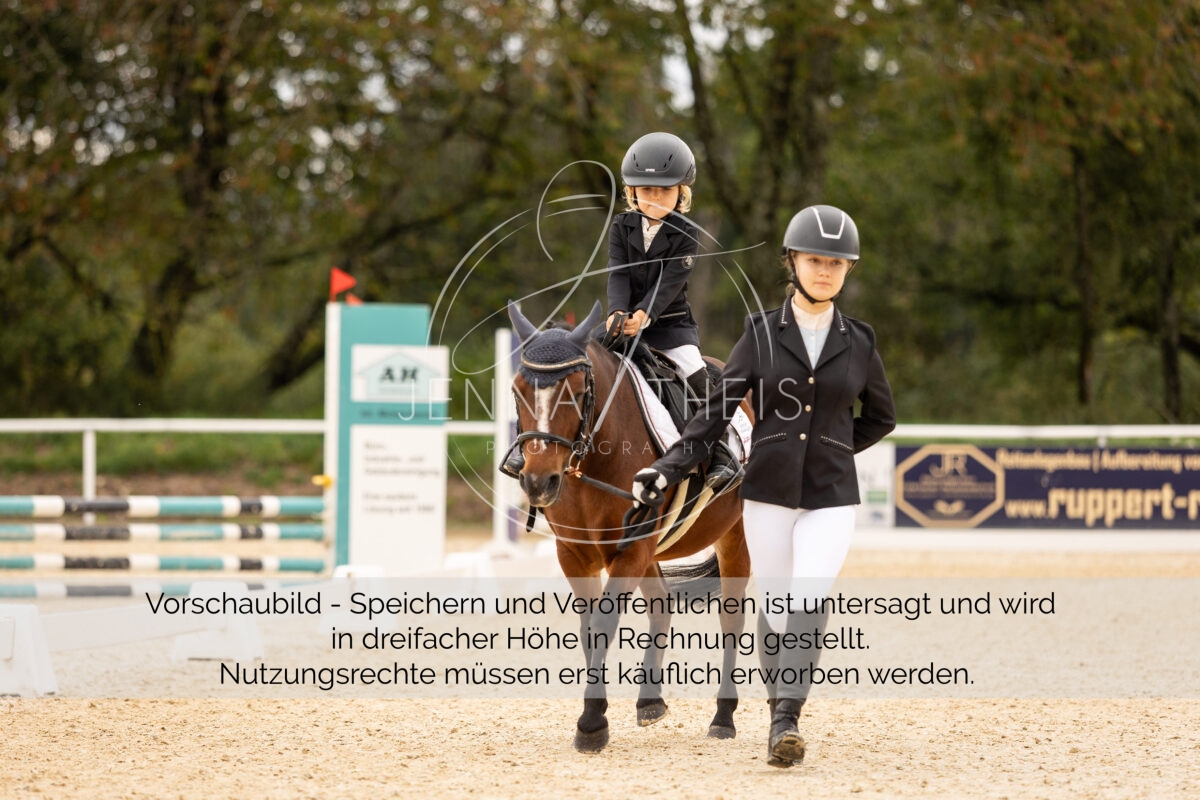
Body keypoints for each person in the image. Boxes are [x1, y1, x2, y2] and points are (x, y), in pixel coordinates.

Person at [630, 204, 896, 768]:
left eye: (836, 263)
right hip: (768, 493)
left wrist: (833, 449)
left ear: (848, 270)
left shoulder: (860, 340)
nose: (824, 271)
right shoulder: (759, 334)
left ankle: (786, 719)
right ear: (792, 262)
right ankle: (781, 709)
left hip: (830, 497)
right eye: (814, 260)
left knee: (809, 597)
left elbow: (881, 417)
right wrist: (667, 468)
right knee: (774, 604)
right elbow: (714, 415)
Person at [502, 132, 741, 492]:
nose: (654, 198)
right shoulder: (621, 226)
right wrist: (617, 311)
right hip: (623, 323)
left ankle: (720, 451)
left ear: (681, 193)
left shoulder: (686, 233)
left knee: (696, 374)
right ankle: (525, 447)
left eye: (664, 191)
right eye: (646, 190)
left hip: (671, 328)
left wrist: (643, 315)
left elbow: (670, 283)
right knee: (572, 366)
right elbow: (618, 273)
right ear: (632, 192)